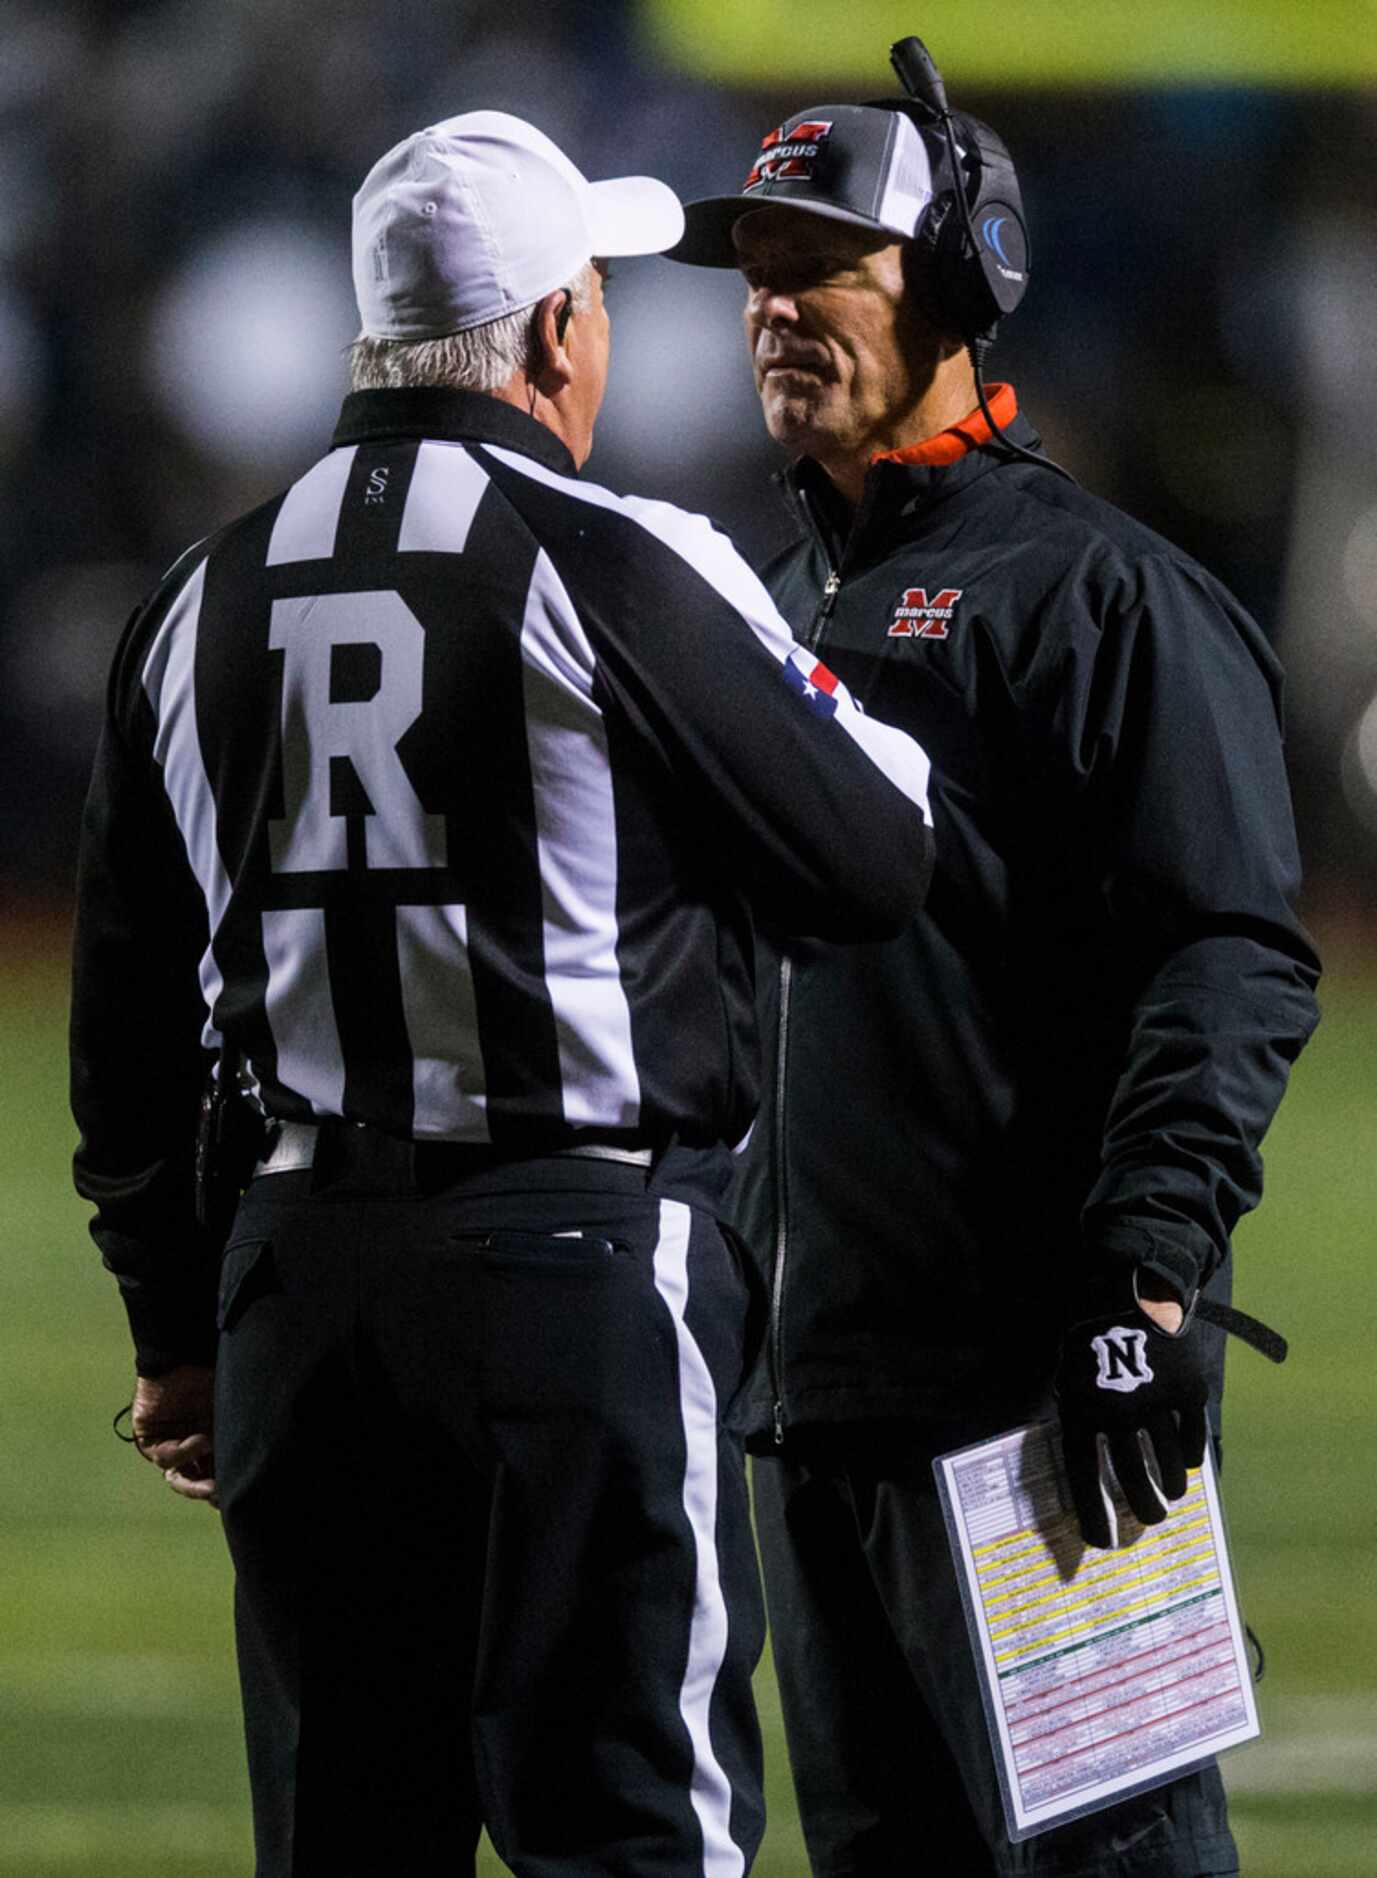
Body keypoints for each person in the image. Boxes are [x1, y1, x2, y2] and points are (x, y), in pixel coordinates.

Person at [69, 112, 937, 1877]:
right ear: (556, 332)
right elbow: (872, 853)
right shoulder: (617, 557)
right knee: (628, 1833)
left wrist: (178, 1322)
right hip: (575, 1269)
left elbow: (124, 1022)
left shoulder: (193, 599)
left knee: (351, 1838)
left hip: (299, 1297)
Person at [670, 49, 1321, 1878]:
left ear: (959, 282)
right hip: (810, 1410)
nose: (775, 308)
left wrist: (1152, 1279)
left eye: (826, 265)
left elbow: (1229, 954)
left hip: (1038, 1400)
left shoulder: (1100, 596)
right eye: (756, 272)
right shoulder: (759, 604)